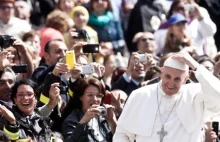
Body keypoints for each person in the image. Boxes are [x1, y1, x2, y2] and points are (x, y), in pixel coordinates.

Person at [113, 52, 220, 142]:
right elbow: (122, 135)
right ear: (161, 73)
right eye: (167, 76)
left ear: (186, 78)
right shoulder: (140, 95)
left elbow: (218, 94)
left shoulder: (196, 94)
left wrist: (195, 65)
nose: (171, 83)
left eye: (177, 79)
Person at [62, 77, 116, 141]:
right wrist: (83, 121)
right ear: (80, 97)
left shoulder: (104, 117)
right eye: (90, 95)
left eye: (98, 96)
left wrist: (112, 122)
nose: (95, 99)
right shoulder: (72, 120)